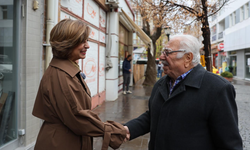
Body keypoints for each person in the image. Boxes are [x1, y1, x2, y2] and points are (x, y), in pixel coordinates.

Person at [124, 35, 243, 150]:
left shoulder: (218, 89)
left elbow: (230, 144)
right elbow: (153, 116)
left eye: (167, 52)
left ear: (188, 58)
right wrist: (128, 129)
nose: (161, 57)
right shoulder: (161, 84)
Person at [32, 19, 126, 150]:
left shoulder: (66, 70)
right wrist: (113, 131)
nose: (87, 45)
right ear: (67, 43)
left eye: (86, 40)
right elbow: (77, 118)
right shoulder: (62, 76)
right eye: (82, 41)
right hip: (62, 143)